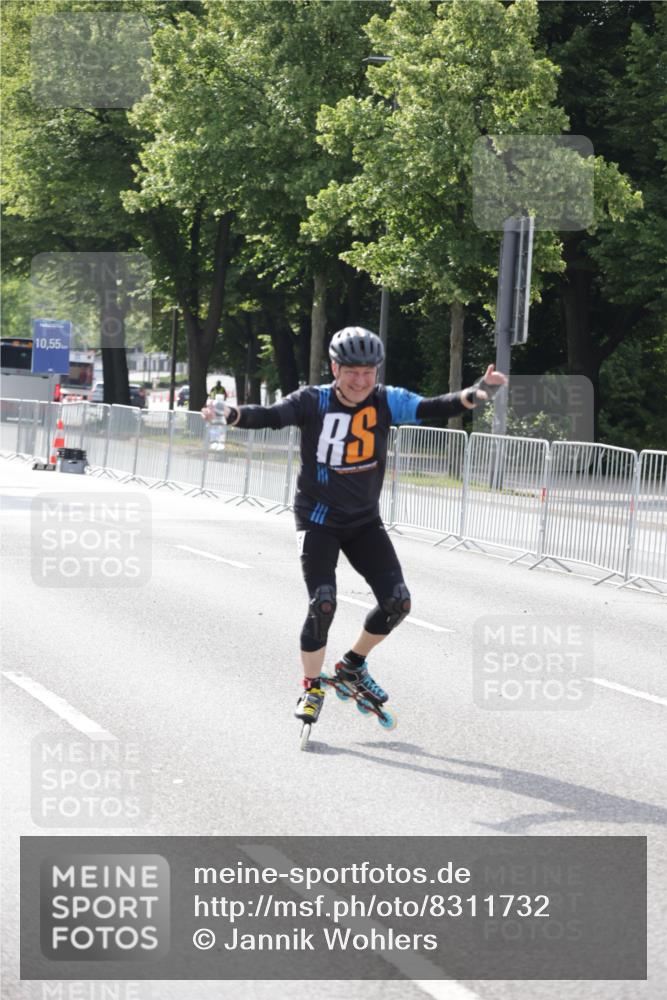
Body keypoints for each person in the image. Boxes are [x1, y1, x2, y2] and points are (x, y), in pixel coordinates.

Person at [201, 326, 507, 725]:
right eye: (352, 372)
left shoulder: (386, 401)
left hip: (364, 521)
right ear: (335, 368)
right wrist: (233, 414)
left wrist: (479, 392)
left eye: (368, 372)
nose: (361, 381)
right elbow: (272, 416)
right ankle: (311, 690)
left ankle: (352, 665)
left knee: (398, 602)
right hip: (318, 520)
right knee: (323, 603)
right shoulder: (314, 401)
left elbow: (436, 405)